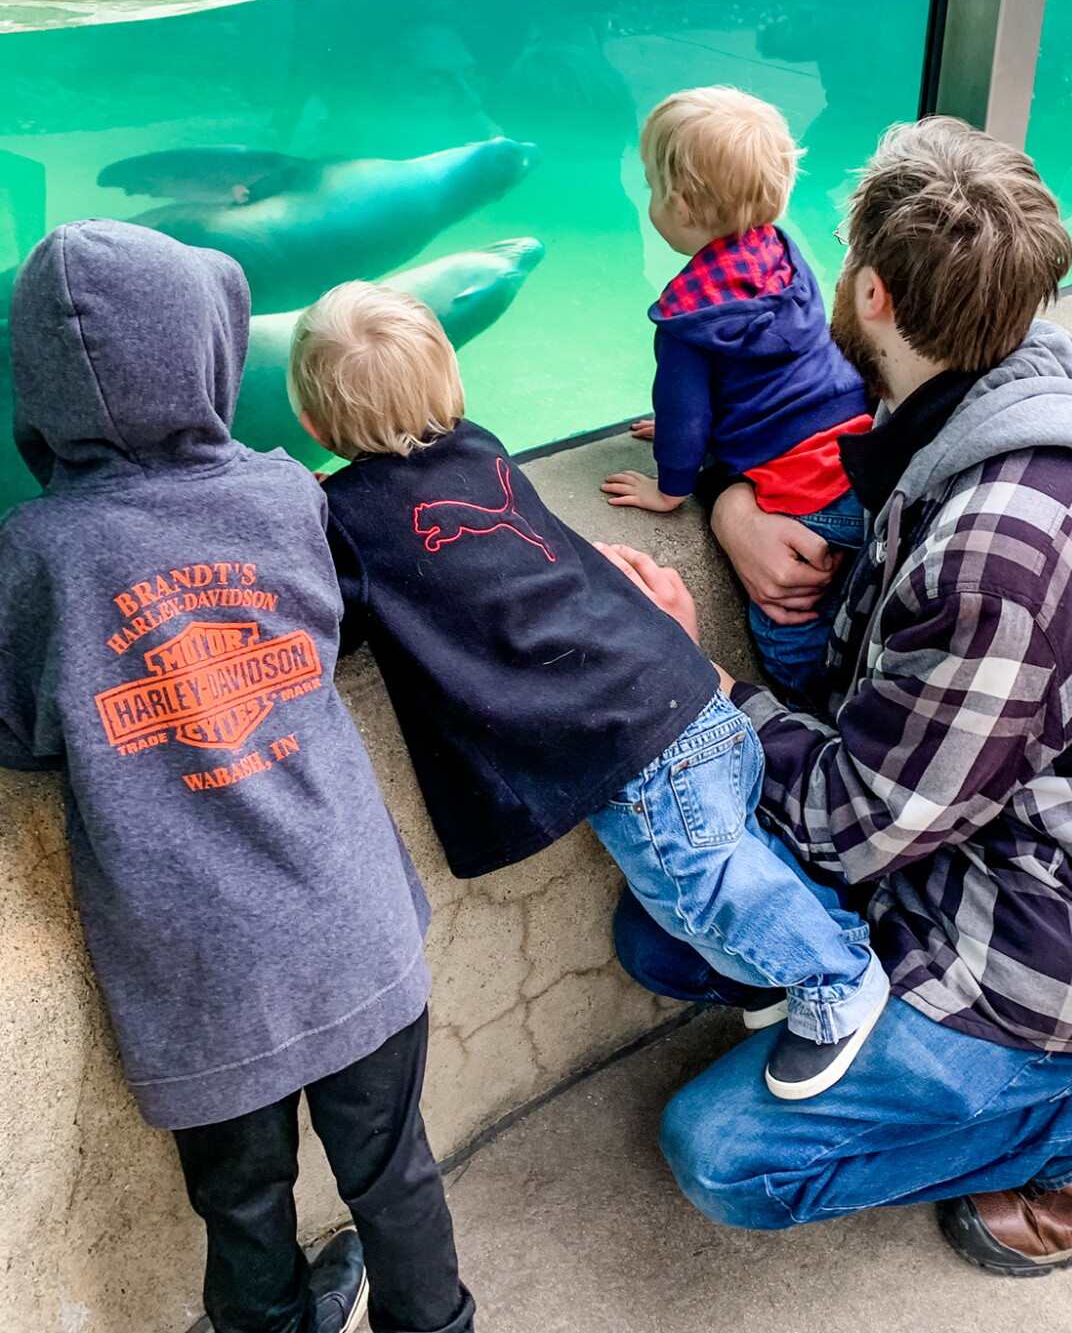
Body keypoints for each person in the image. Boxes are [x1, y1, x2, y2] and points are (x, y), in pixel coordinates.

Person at [606, 118, 1072, 1276]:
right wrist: (731, 502)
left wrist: (707, 685)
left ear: (870, 292)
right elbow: (800, 442)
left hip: (1046, 942)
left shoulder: (1000, 550)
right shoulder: (1011, 373)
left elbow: (854, 819)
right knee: (663, 937)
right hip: (959, 831)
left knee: (723, 1155)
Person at [0, 222, 494, 1333]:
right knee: (394, 1172)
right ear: (211, 351)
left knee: (242, 1192)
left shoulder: (35, 557)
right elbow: (327, 628)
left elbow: (20, 729)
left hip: (195, 964)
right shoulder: (282, 492)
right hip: (346, 924)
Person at [289, 282, 889, 1102]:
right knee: (730, 869)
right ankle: (783, 969)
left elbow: (329, 617)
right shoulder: (482, 447)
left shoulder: (346, 519)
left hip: (640, 749)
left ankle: (836, 980)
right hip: (687, 691)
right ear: (452, 388)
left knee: (698, 890)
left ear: (314, 426)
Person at [598, 86, 871, 696]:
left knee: (786, 617)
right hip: (856, 458)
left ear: (681, 205)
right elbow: (777, 363)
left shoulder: (687, 319)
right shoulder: (783, 255)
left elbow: (684, 413)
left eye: (650, 185)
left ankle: (808, 699)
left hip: (802, 495)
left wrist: (671, 488)